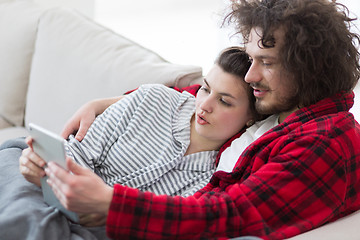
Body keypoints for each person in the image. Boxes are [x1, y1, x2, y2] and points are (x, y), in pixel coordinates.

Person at [37, 0, 360, 239]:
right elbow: (206, 92)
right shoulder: (281, 105)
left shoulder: (324, 141)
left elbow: (233, 214)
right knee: (16, 155)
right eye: (251, 60)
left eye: (266, 62)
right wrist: (109, 102)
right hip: (132, 216)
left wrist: (111, 202)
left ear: (307, 69)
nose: (251, 74)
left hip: (159, 222)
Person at [17, 47, 260, 223]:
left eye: (224, 101)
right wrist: (43, 165)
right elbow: (78, 150)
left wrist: (105, 211)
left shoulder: (216, 178)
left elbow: (161, 223)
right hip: (51, 190)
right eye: (205, 88)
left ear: (250, 118)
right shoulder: (152, 99)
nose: (204, 105)